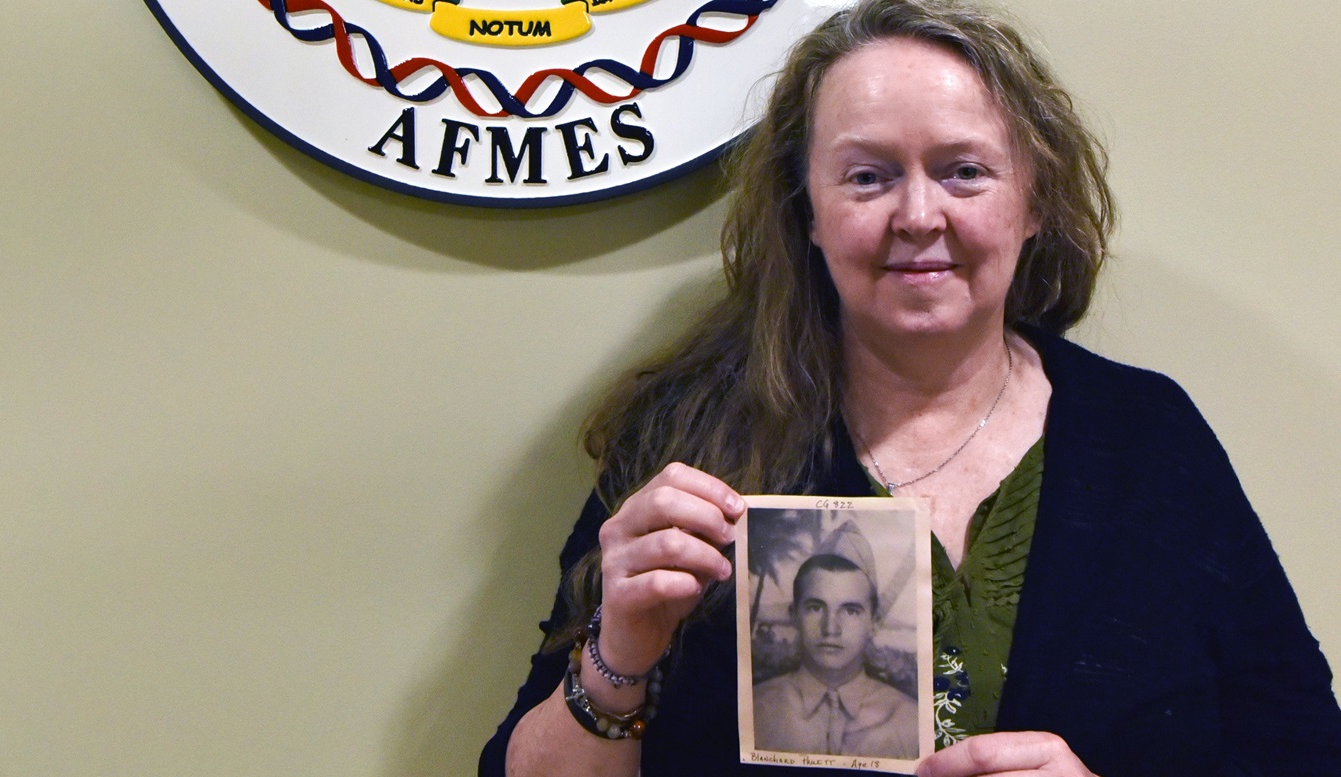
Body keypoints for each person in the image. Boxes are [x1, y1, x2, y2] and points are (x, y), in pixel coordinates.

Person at [480, 0, 1341, 774]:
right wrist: (619, 653)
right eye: (868, 176)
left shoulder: (1151, 438)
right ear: (808, 213)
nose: (920, 215)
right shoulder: (691, 435)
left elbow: (1305, 746)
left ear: (1034, 201)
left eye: (964, 171)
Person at [752, 522, 919, 758]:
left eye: (850, 611)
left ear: (874, 622)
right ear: (794, 616)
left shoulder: (911, 723)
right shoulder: (754, 710)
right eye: (815, 608)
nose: (831, 628)